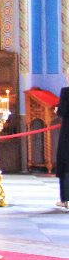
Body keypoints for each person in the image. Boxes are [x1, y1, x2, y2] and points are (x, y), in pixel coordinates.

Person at [56, 68, 69, 209]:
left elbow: (62, 111)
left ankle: (66, 199)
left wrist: (57, 110)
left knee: (65, 164)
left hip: (67, 133)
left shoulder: (66, 92)